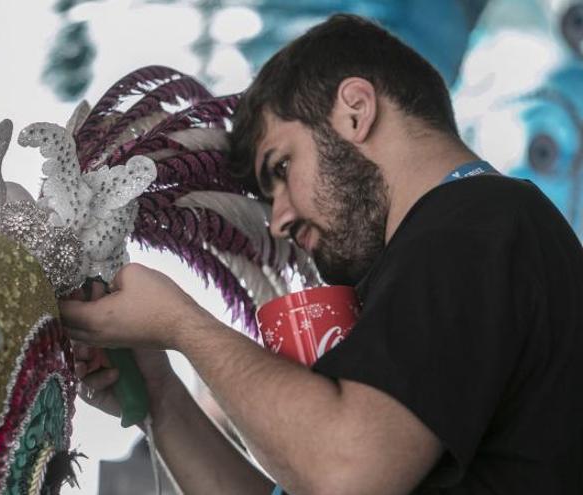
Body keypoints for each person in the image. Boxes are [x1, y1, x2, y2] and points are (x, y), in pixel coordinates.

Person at [60, 13, 583, 495]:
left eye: (281, 168)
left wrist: (185, 326)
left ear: (356, 111)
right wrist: (161, 396)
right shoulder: (461, 240)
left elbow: (345, 471)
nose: (281, 220)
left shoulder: (472, 222)